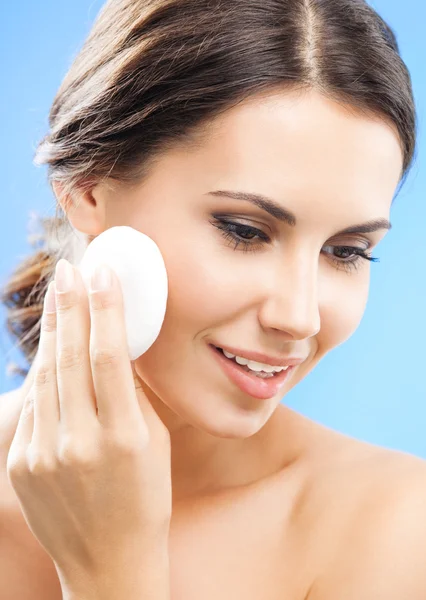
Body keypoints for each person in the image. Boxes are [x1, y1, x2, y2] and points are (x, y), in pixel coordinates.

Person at [1, 0, 425, 598]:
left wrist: (112, 573)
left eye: (347, 251)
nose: (298, 318)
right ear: (88, 187)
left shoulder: (393, 530)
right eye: (245, 231)